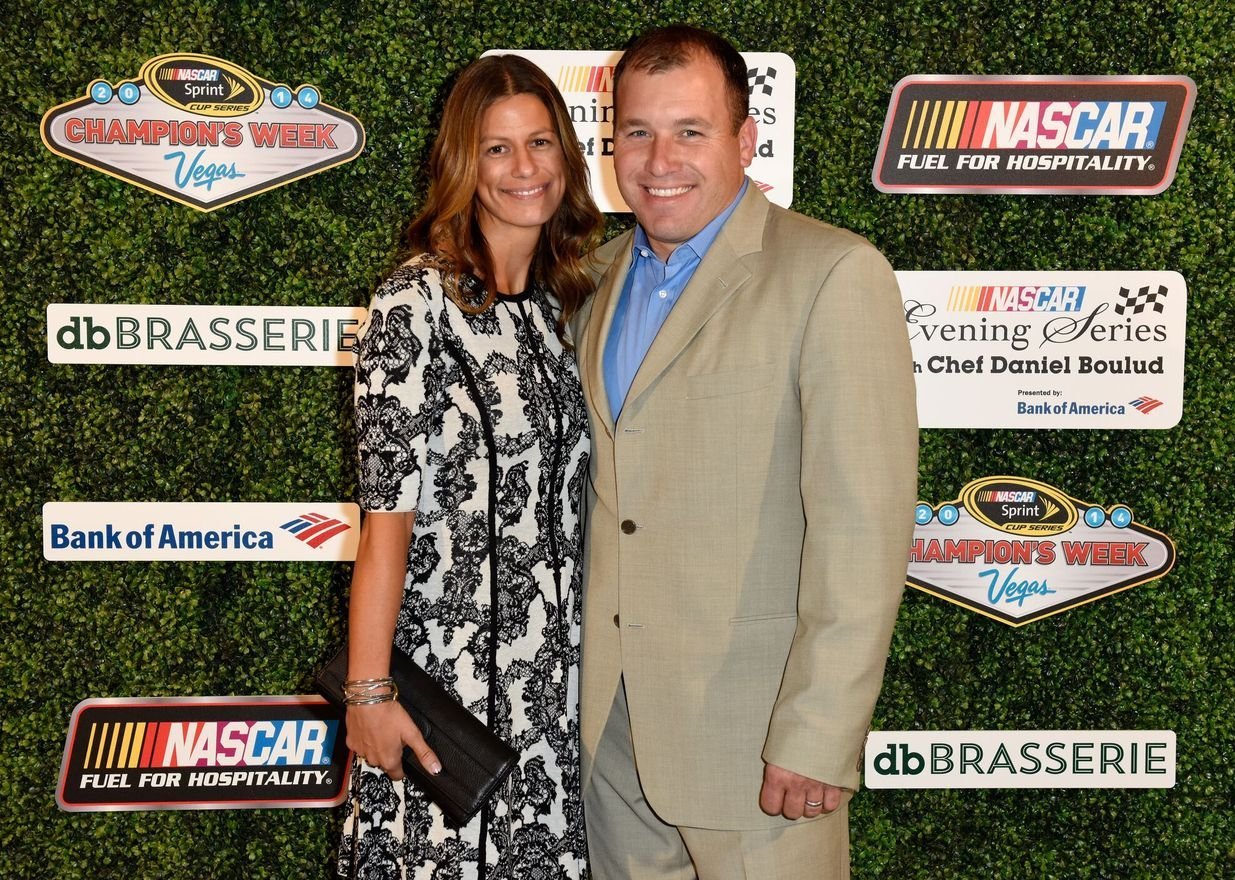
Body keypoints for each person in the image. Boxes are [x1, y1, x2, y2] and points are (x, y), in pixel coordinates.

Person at [574, 25, 919, 878]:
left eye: (691, 131)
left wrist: (819, 732)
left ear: (745, 141)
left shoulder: (832, 273)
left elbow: (862, 527)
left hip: (758, 746)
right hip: (609, 741)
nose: (661, 160)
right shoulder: (590, 280)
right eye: (638, 133)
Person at [339, 54, 602, 879]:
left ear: (566, 155)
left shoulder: (570, 310)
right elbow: (386, 527)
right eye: (497, 149)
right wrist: (370, 696)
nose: (524, 169)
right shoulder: (414, 306)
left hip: (555, 699)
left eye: (540, 143)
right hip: (444, 698)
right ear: (463, 163)